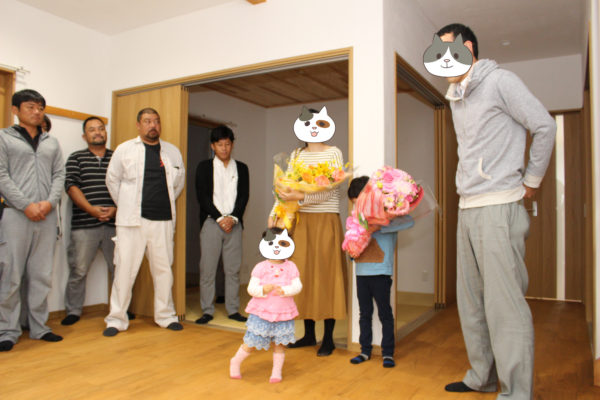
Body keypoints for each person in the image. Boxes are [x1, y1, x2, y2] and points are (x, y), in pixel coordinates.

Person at [431, 24, 556, 398]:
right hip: (467, 207)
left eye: (446, 51)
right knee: (471, 303)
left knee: (505, 307)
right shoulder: (456, 96)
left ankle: (516, 392)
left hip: (499, 206)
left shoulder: (501, 81)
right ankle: (482, 377)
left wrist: (531, 181)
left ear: (467, 48)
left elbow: (544, 126)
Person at [268, 106, 347, 356]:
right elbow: (285, 187)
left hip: (325, 221)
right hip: (300, 222)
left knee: (326, 275)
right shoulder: (296, 154)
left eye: (318, 124)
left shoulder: (333, 152)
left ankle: (329, 339)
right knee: (302, 276)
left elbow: (331, 190)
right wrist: (275, 212)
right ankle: (309, 335)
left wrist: (301, 198)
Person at [103, 107, 185, 336]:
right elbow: (112, 181)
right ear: (138, 125)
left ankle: (165, 316)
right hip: (131, 222)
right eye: (148, 121)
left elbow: (178, 183)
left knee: (164, 271)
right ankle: (116, 320)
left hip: (163, 220)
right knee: (124, 271)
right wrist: (127, 205)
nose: (153, 125)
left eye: (156, 121)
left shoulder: (172, 152)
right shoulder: (125, 150)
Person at [0, 89, 65, 351]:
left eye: (40, 108)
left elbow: (59, 175)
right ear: (15, 110)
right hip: (16, 215)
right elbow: (2, 176)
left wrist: (49, 203)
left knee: (41, 274)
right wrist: (26, 205)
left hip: (46, 216)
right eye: (30, 107)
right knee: (11, 275)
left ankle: (39, 327)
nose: (37, 112)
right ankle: (7, 330)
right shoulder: (4, 138)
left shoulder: (52, 142)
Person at [345, 176, 414, 368]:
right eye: (354, 204)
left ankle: (388, 353)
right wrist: (352, 251)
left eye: (359, 202)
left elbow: (409, 221)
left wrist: (377, 225)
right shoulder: (355, 220)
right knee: (364, 313)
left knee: (385, 313)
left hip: (381, 272)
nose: (357, 207)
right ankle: (365, 350)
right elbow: (351, 243)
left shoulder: (388, 216)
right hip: (361, 272)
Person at [61, 116, 117, 326]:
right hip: (84, 224)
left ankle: (121, 310)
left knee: (120, 270)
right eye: (92, 129)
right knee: (78, 270)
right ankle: (73, 311)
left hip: (115, 225)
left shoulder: (117, 157)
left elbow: (129, 187)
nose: (97, 132)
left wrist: (116, 210)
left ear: (106, 132)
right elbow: (71, 186)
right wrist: (91, 210)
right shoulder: (76, 158)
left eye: (101, 128)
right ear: (85, 136)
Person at [229, 227, 302, 383]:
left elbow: (297, 286)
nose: (277, 247)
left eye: (282, 243)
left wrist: (286, 290)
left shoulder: (291, 267)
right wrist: (263, 289)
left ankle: (276, 372)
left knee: (280, 345)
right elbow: (251, 289)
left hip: (283, 313)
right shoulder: (260, 267)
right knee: (251, 343)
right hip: (262, 313)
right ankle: (235, 361)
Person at [195, 125, 249, 324]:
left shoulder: (241, 168)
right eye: (220, 145)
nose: (224, 148)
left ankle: (233, 309)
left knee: (233, 270)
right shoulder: (204, 167)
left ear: (232, 145)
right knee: (207, 269)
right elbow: (202, 196)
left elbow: (244, 196)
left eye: (227, 144)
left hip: (234, 224)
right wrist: (219, 218)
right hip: (211, 222)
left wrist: (233, 218)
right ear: (213, 146)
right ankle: (207, 310)